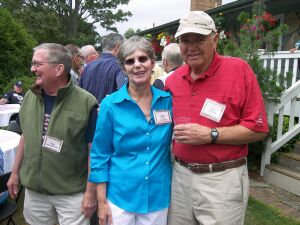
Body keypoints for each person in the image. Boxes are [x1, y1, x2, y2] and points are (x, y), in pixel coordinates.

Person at [165, 11, 269, 225]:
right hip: (181, 177)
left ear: (215, 39)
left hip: (222, 179)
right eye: (185, 40)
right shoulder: (172, 81)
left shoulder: (238, 70)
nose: (191, 46)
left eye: (199, 39)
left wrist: (210, 134)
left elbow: (259, 129)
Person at [7, 43, 98, 225]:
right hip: (35, 192)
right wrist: (15, 173)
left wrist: (90, 192)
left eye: (38, 64)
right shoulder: (30, 97)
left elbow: (93, 152)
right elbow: (25, 136)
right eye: (33, 63)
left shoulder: (86, 102)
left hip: (71, 193)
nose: (33, 69)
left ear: (59, 69)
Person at [89, 36, 173, 225]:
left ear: (152, 62)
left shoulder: (168, 101)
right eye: (130, 61)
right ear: (123, 67)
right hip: (120, 198)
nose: (137, 65)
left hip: (157, 196)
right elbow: (100, 155)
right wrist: (101, 201)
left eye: (142, 59)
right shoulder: (110, 105)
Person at [79, 33, 128, 103]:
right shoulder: (119, 66)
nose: (127, 52)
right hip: (111, 113)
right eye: (125, 48)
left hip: (88, 112)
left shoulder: (87, 67)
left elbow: (80, 94)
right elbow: (125, 96)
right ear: (118, 47)